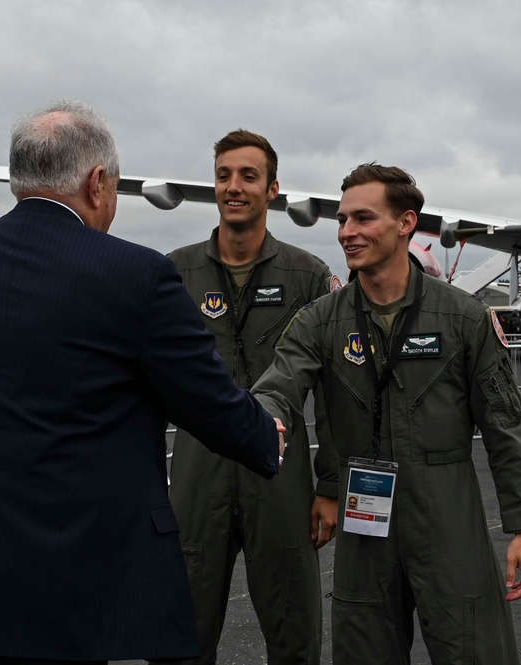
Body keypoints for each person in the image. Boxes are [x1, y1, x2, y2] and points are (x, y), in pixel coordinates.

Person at [0, 101, 286, 665]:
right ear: (98, 182)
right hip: (65, 589)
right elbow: (207, 399)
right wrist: (265, 436)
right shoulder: (136, 274)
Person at [252, 163, 521, 664]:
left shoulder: (463, 318)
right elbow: (279, 386)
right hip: (365, 518)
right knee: (363, 647)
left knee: (473, 647)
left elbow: (504, 425)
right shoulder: (321, 320)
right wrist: (258, 417)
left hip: (447, 512)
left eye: (363, 219)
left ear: (406, 223)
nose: (347, 232)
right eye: (343, 221)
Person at [166, 129, 340, 665]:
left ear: (272, 189)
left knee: (294, 630)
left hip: (281, 473)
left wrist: (330, 484)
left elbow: (333, 393)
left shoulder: (307, 275)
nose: (233, 187)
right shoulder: (175, 273)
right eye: (223, 176)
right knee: (183, 630)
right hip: (198, 472)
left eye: (248, 176)